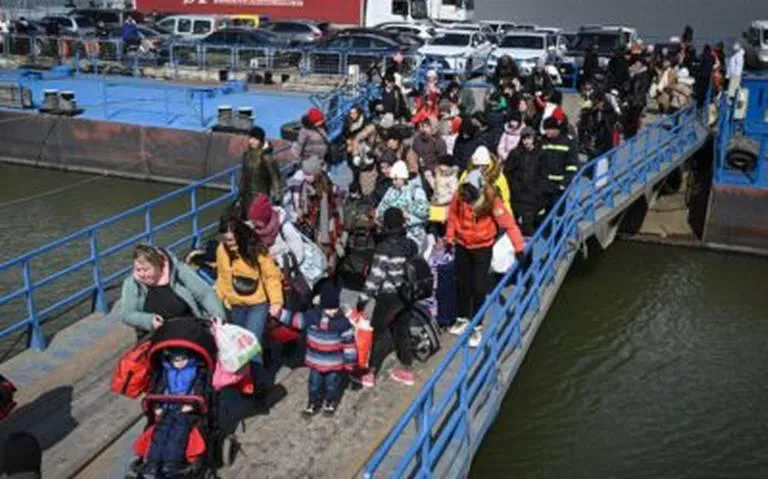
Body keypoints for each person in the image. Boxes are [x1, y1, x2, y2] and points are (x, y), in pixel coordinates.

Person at [445, 170, 525, 347]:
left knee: (478, 286)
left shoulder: (491, 200)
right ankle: (462, 318)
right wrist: (450, 237)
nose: (467, 200)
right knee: (462, 283)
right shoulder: (460, 196)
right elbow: (452, 216)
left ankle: (477, 326)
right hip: (462, 245)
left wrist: (519, 248)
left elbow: (508, 224)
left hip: (482, 247)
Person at [215, 214, 283, 390]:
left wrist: (276, 302)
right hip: (235, 304)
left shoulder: (256, 250)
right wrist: (219, 300)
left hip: (257, 303)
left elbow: (271, 276)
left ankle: (260, 385)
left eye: (231, 240)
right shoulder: (222, 250)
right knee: (240, 345)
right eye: (225, 239)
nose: (228, 243)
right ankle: (246, 379)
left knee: (251, 343)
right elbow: (222, 277)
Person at [354, 208, 419, 387]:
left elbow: (376, 277)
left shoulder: (384, 247)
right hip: (407, 294)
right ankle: (407, 370)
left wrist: (362, 299)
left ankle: (370, 373)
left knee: (376, 333)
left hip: (388, 296)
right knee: (402, 331)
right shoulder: (411, 244)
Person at [275, 281, 356, 416]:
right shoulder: (312, 316)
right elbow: (295, 320)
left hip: (334, 364)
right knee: (313, 385)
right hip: (316, 362)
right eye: (329, 309)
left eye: (334, 308)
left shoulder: (342, 323)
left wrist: (350, 362)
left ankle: (329, 402)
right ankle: (312, 403)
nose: (332, 312)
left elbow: (349, 344)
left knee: (332, 385)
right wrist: (279, 314)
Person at [120, 244, 226, 334]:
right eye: (138, 269)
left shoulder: (179, 271)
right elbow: (127, 314)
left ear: (159, 265)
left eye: (146, 270)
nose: (142, 274)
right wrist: (149, 321)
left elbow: (205, 294)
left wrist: (216, 315)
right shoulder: (132, 283)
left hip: (190, 327)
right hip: (155, 334)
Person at [283, 155, 344, 269]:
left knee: (327, 247)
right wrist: (300, 211)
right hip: (311, 223)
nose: (306, 177)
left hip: (326, 222)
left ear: (316, 173)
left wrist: (327, 232)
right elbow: (301, 204)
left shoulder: (326, 188)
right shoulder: (304, 186)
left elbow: (331, 210)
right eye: (305, 174)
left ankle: (329, 269)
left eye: (309, 174)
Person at [375, 160, 430, 253]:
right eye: (392, 179)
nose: (394, 182)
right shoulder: (391, 190)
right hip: (394, 234)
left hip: (414, 234)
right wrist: (380, 215)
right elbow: (383, 205)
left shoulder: (415, 190)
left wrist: (408, 215)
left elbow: (425, 212)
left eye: (396, 179)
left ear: (403, 177)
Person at [504, 127, 546, 236]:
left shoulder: (541, 154)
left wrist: (538, 191)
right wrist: (514, 187)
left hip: (532, 198)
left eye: (529, 138)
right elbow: (507, 172)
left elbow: (543, 175)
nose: (526, 141)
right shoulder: (515, 153)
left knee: (528, 228)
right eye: (524, 139)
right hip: (516, 197)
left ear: (534, 138)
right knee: (512, 228)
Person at [240, 126, 281, 211]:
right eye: (251, 138)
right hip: (246, 197)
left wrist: (277, 199)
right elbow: (243, 175)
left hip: (260, 198)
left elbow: (275, 178)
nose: (252, 141)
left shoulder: (267, 157)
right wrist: (240, 193)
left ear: (261, 141)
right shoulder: (246, 155)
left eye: (256, 139)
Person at [459, 145, 512, 212]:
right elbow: (460, 193)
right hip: (470, 210)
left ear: (487, 164)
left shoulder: (498, 177)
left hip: (491, 210)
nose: (480, 168)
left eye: (482, 165)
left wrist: (508, 213)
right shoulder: (467, 174)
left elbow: (505, 199)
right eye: (477, 166)